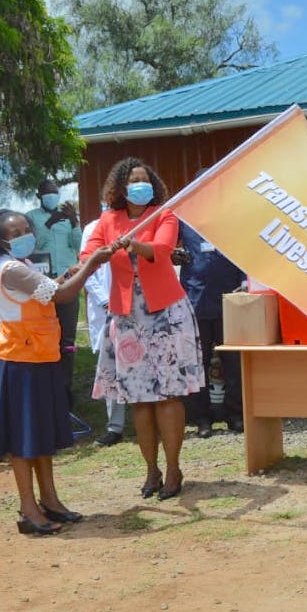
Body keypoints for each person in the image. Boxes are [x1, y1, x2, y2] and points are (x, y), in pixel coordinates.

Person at [0, 209, 112, 535]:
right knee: (24, 439)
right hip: (22, 361)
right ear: (1, 241)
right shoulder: (10, 269)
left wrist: (69, 274)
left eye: (26, 228)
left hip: (36, 356)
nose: (24, 234)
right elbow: (60, 296)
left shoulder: (19, 266)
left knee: (39, 437)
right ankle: (28, 508)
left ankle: (49, 500)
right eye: (15, 232)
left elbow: (49, 289)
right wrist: (92, 264)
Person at [83, 158, 204, 502]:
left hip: (165, 313)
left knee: (167, 394)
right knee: (140, 399)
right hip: (127, 318)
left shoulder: (163, 214)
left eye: (145, 179)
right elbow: (89, 252)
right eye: (133, 180)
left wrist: (133, 244)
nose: (140, 184)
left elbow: (163, 250)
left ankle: (174, 467)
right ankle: (151, 468)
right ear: (120, 188)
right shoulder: (108, 220)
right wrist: (97, 254)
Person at [175, 219, 245, 437]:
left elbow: (245, 254)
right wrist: (173, 255)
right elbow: (167, 247)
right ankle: (202, 419)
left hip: (229, 299)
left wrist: (245, 281)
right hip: (196, 300)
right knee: (197, 364)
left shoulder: (231, 222)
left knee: (234, 363)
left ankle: (236, 415)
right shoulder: (183, 223)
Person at [25, 179, 82, 409]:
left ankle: (65, 390)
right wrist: (49, 224)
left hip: (68, 282)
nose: (52, 196)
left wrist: (74, 221)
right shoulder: (30, 217)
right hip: (44, 283)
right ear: (39, 195)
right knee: (44, 338)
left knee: (67, 340)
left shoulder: (67, 215)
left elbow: (78, 245)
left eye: (55, 192)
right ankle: (46, 390)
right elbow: (33, 246)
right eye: (47, 193)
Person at [80, 213, 125, 447]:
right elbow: (86, 266)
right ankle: (115, 426)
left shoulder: (137, 223)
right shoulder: (93, 228)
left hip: (133, 305)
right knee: (111, 367)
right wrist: (104, 299)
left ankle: (146, 419)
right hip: (105, 307)